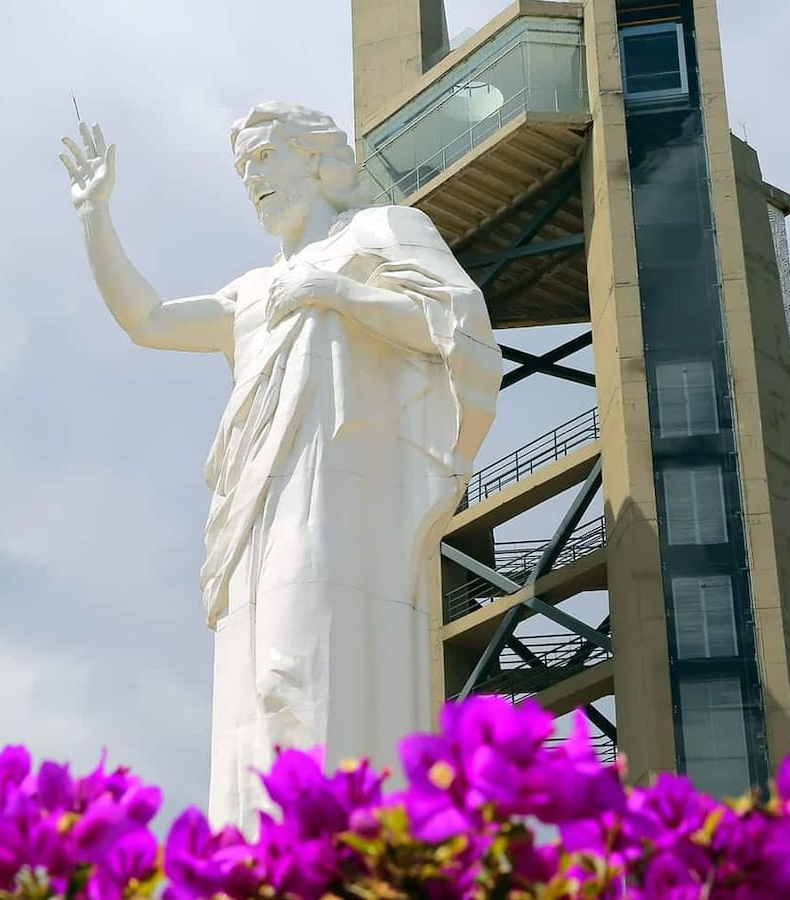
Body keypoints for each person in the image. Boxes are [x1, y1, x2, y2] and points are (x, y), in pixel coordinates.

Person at [59, 102, 499, 832]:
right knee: (250, 693)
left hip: (340, 493)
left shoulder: (381, 232)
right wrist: (94, 217)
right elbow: (150, 319)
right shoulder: (256, 288)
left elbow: (457, 330)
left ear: (316, 158)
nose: (252, 179)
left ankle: (333, 845)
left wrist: (340, 292)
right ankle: (258, 858)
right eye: (243, 169)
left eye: (264, 158)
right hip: (257, 502)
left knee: (304, 665)